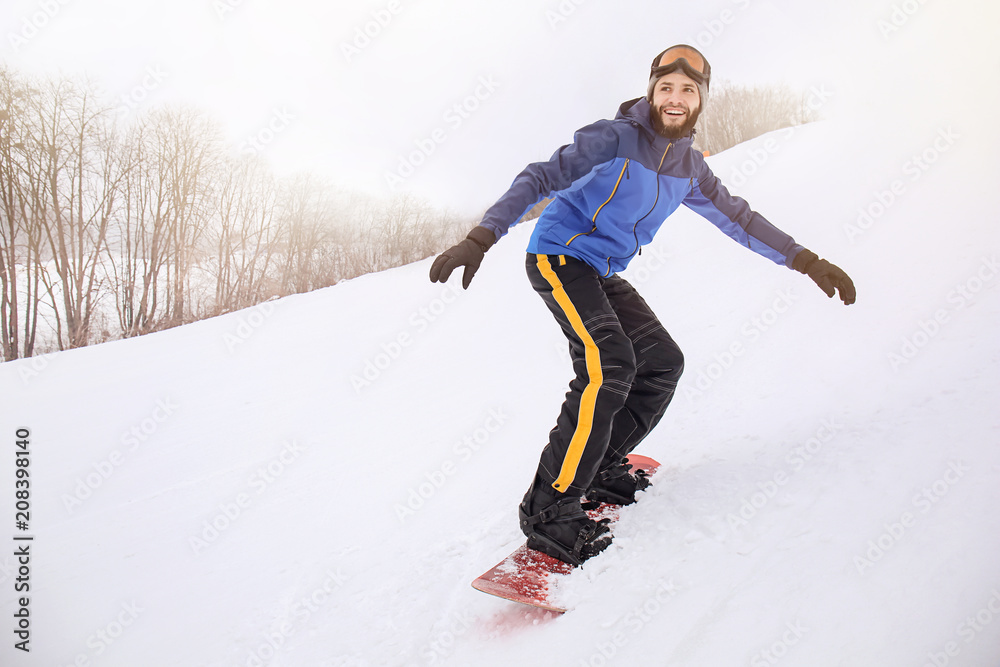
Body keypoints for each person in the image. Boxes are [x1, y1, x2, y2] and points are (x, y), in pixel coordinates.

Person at [429, 44, 855, 565]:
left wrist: (806, 260)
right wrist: (481, 237)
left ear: (701, 101)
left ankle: (603, 463)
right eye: (666, 88)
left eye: (688, 90)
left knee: (661, 364)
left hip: (602, 271)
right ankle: (549, 510)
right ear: (652, 92)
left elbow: (739, 219)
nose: (675, 99)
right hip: (559, 257)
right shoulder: (613, 138)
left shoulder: (690, 168)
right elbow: (539, 176)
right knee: (608, 366)